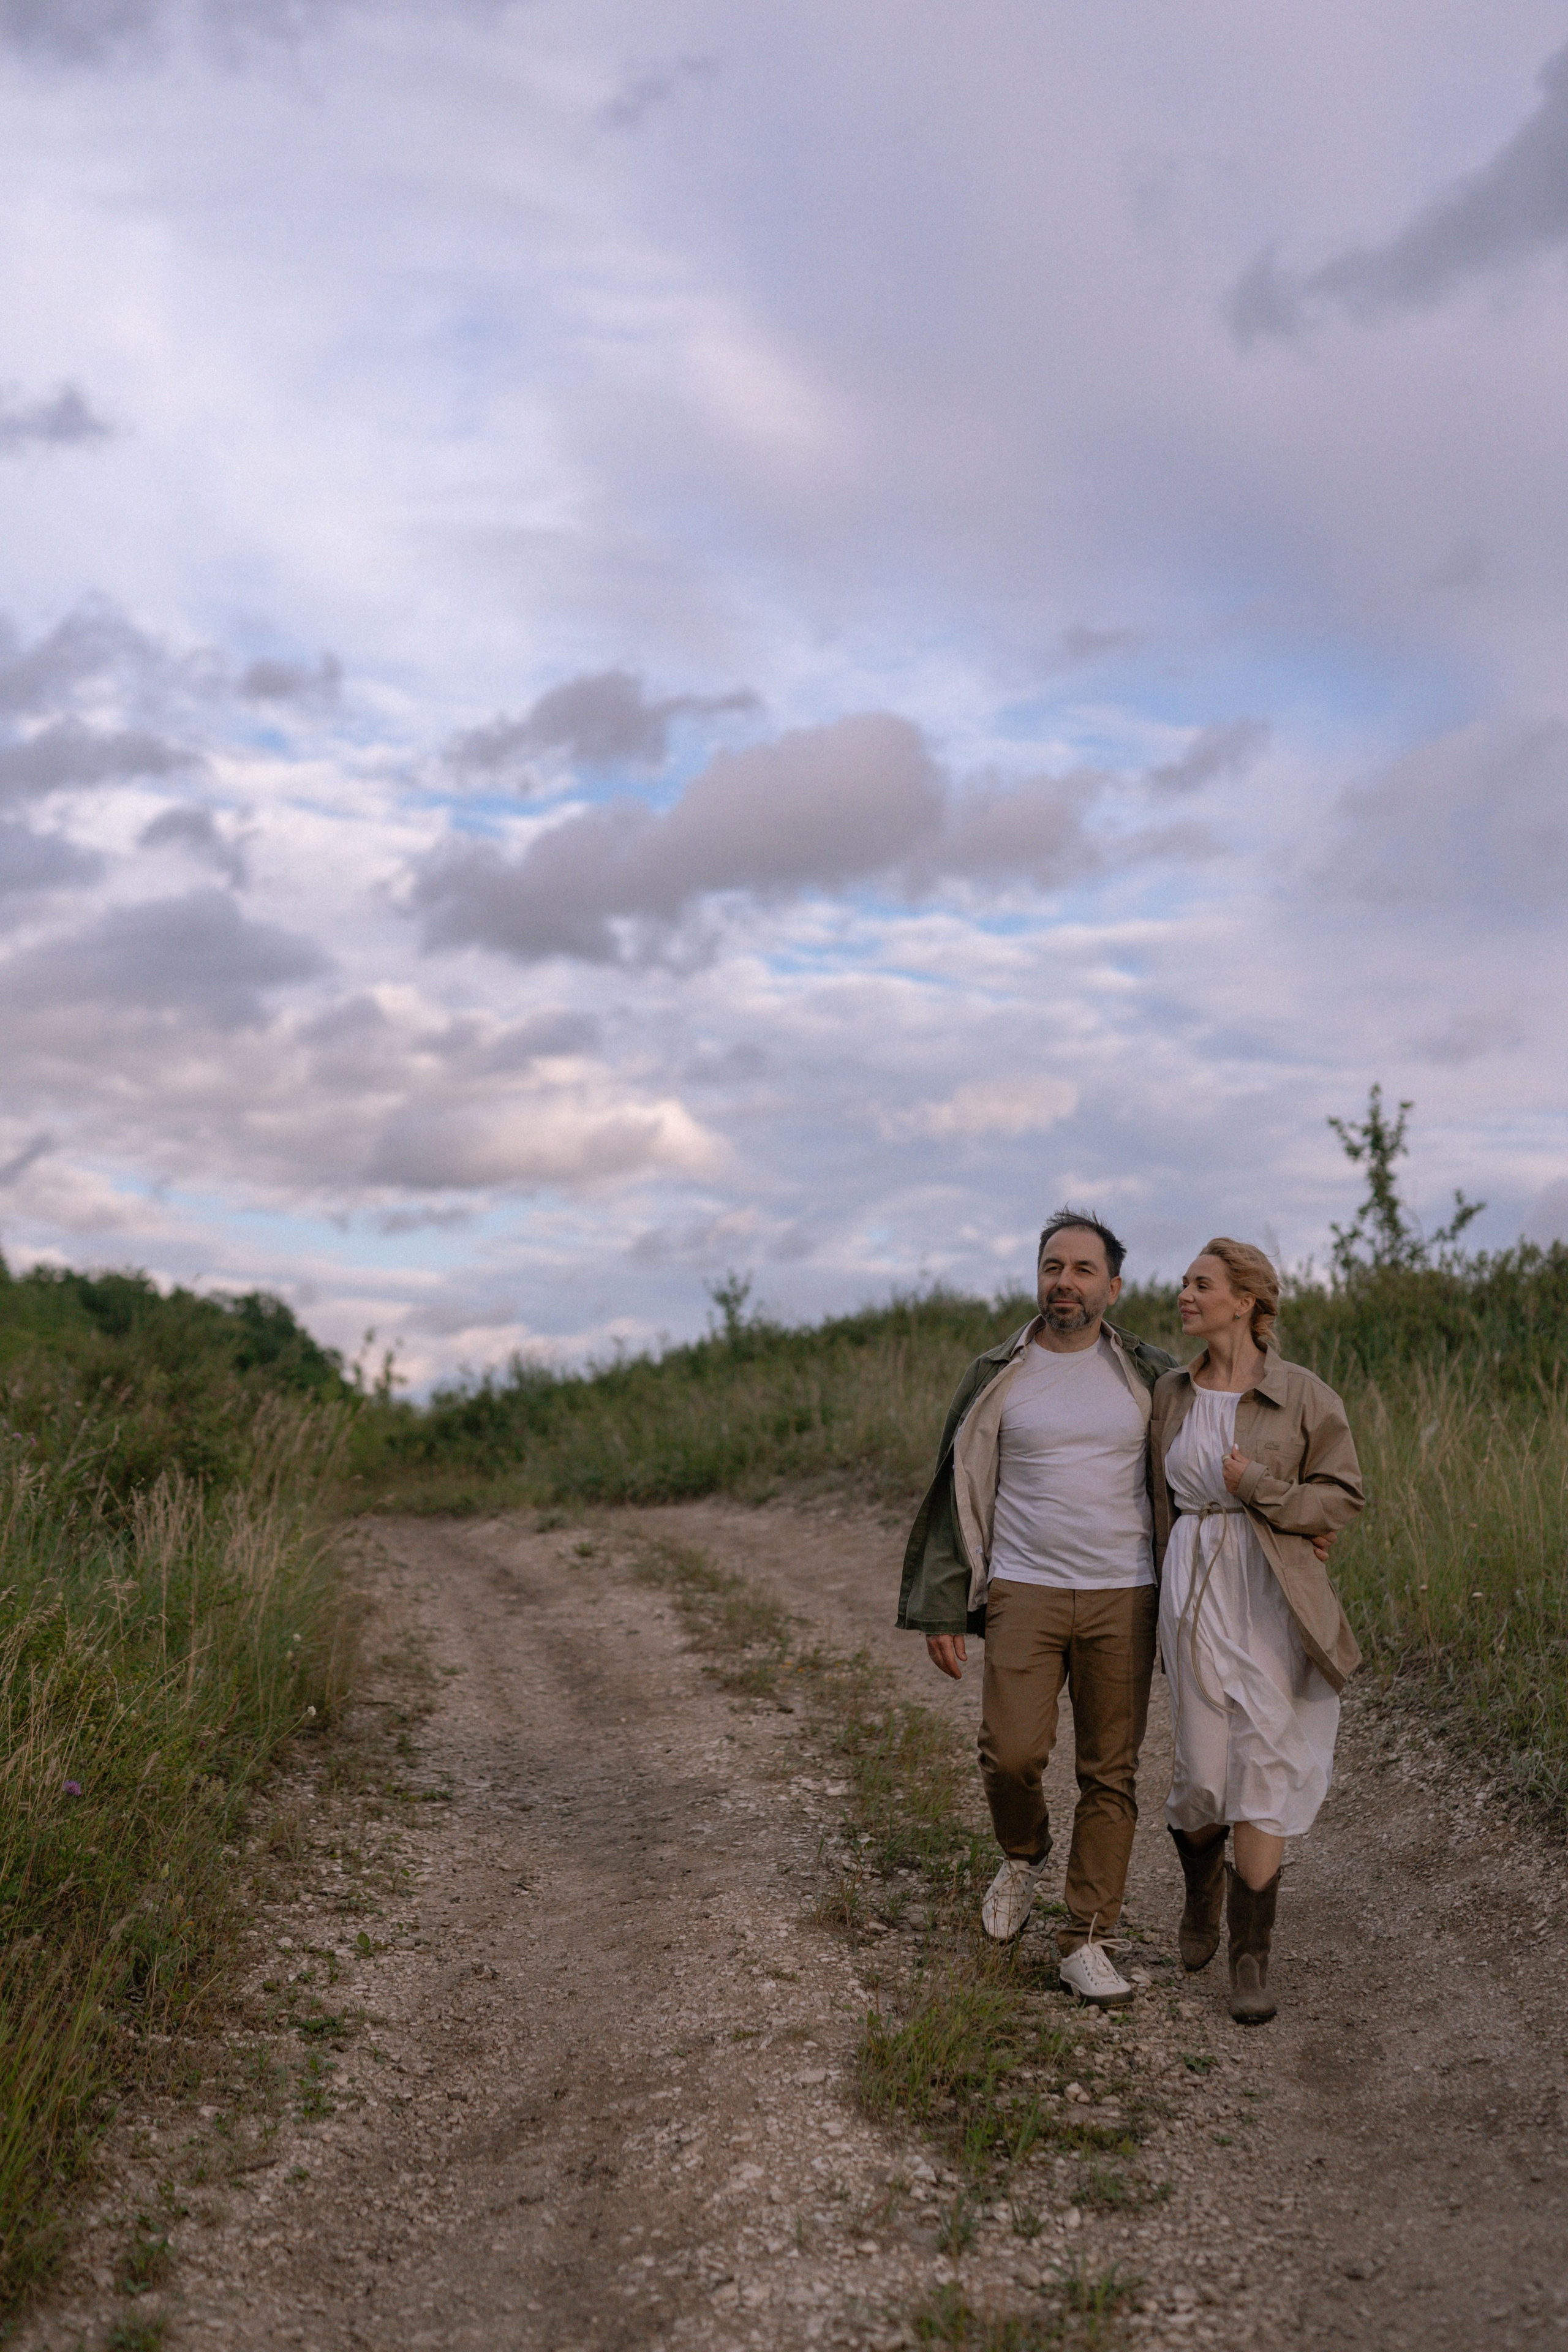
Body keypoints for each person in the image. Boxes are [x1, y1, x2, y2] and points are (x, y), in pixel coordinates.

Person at [896, 1212, 1177, 2005]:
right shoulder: (997, 1372)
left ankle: (1086, 1940)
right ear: (1039, 1278)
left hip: (1126, 1592)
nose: (1065, 1282)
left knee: (1110, 1772)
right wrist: (943, 1607)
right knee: (1010, 1754)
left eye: (1083, 1269)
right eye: (1053, 1266)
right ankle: (1023, 1854)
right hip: (1024, 1587)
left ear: (1112, 1287)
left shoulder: (1151, 1375)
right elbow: (954, 1492)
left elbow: (1198, 1471)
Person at [1150, 1238, 1364, 2026]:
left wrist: (1262, 1489)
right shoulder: (1168, 1392)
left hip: (1272, 1588)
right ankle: (1200, 1885)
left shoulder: (1302, 1393)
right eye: (1184, 1282)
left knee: (1266, 1761)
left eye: (1200, 1284)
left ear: (1244, 1302)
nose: (1184, 1294)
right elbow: (1151, 1498)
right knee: (1204, 1774)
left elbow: (1340, 1497)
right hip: (1192, 1583)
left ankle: (1250, 1956)